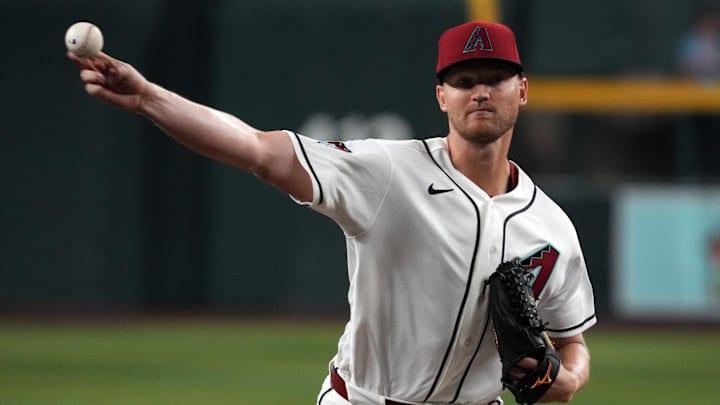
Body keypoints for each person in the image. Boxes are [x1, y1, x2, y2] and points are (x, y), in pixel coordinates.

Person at [68, 20, 596, 405]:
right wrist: (149, 99)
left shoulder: (550, 227)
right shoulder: (390, 171)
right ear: (441, 96)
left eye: (496, 77)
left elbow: (572, 341)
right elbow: (257, 150)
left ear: (521, 91)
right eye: (463, 80)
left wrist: (567, 379)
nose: (480, 90)